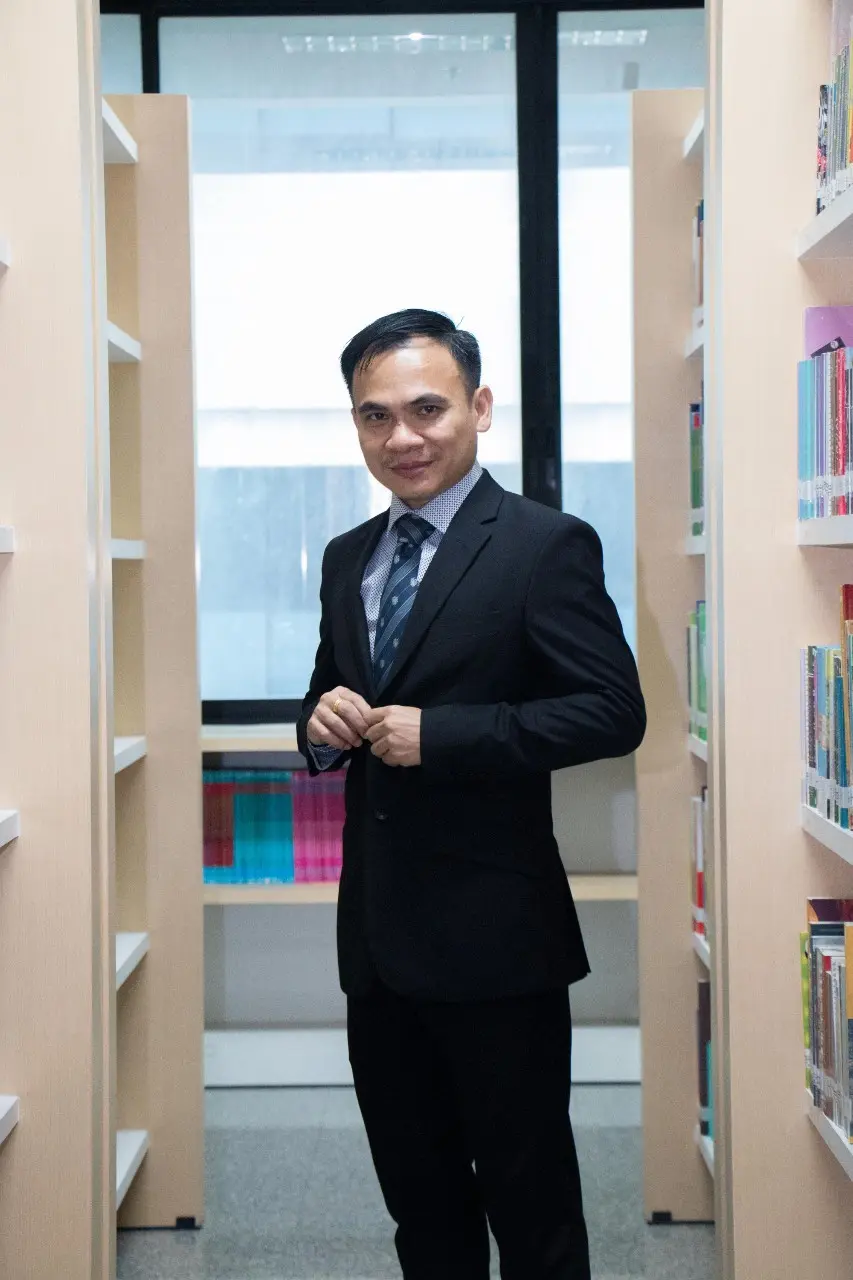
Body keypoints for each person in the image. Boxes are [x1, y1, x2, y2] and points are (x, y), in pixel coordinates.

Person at [296, 308, 646, 1280]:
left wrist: (442, 736)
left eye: (426, 409)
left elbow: (612, 711)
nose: (401, 437)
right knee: (423, 1213)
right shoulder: (347, 557)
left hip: (498, 945)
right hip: (378, 946)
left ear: (479, 408)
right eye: (374, 416)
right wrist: (318, 724)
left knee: (533, 1216)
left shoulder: (543, 544)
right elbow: (331, 689)